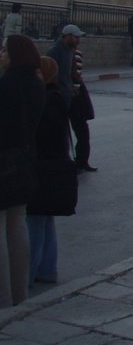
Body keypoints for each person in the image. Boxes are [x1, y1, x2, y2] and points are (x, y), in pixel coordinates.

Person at [0, 34, 46, 307]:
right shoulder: (37, 84)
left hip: (3, 161)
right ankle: (20, 295)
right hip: (25, 161)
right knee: (18, 226)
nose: (1, 54)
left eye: (4, 50)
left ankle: (3, 300)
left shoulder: (6, 85)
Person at [26, 57, 77, 287]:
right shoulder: (56, 98)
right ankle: (47, 270)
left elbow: (42, 137)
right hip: (54, 168)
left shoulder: (47, 101)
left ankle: (28, 273)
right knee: (44, 222)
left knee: (35, 223)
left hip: (44, 169)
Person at [47, 25, 96, 172]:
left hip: (73, 97)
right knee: (62, 133)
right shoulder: (55, 52)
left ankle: (81, 161)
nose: (78, 40)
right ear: (67, 36)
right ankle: (64, 163)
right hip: (60, 98)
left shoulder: (71, 51)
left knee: (82, 131)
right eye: (76, 37)